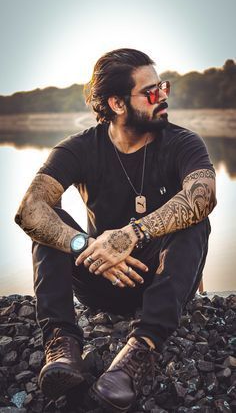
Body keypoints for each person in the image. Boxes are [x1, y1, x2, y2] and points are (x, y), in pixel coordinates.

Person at [14, 48, 217, 412]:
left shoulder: (183, 142)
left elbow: (203, 196)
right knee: (47, 222)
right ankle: (62, 344)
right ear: (118, 103)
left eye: (163, 87)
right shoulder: (80, 148)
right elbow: (29, 209)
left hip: (160, 281)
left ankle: (139, 351)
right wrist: (83, 246)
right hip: (99, 278)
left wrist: (129, 235)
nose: (163, 97)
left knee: (196, 220)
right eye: (151, 92)